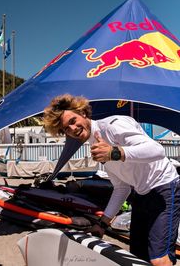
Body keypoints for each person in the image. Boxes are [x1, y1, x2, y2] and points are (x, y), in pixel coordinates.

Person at [44, 94, 180, 266]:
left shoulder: (113, 125)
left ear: (83, 112)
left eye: (72, 121)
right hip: (141, 193)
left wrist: (115, 153)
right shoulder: (96, 145)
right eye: (66, 129)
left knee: (159, 260)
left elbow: (157, 150)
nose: (72, 129)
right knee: (137, 257)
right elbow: (122, 188)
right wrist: (102, 224)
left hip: (164, 187)